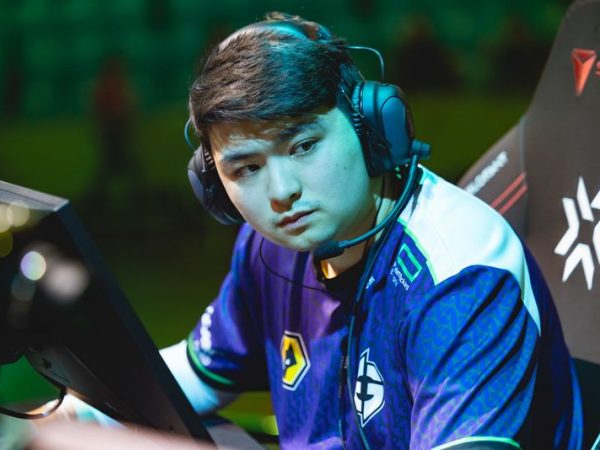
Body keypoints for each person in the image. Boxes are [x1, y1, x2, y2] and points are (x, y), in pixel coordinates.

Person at [162, 11, 584, 450]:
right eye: (247, 169)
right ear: (214, 186)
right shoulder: (265, 248)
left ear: (370, 127)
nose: (282, 191)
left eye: (304, 146)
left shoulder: (459, 275)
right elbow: (194, 377)